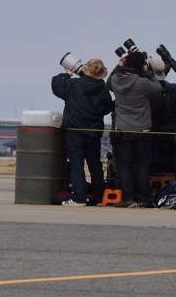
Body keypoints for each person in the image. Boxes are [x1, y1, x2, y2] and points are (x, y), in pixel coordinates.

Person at [51, 58, 114, 206]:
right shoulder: (104, 90)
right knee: (95, 164)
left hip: (74, 131)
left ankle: (79, 197)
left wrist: (67, 74)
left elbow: (56, 84)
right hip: (93, 132)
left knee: (76, 164)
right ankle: (99, 196)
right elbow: (107, 108)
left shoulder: (73, 85)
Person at [107, 51, 163, 207]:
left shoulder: (117, 80)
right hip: (142, 130)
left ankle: (128, 197)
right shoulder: (143, 83)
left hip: (122, 129)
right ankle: (143, 198)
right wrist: (149, 73)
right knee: (143, 165)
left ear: (125, 64)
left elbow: (107, 83)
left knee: (124, 166)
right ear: (141, 66)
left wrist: (118, 67)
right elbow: (158, 89)